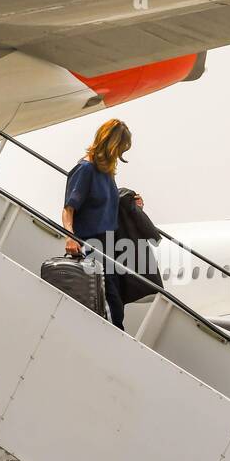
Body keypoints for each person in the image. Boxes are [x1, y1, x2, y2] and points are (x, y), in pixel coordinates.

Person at [62, 119, 140, 331]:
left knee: (117, 302)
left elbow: (107, 201)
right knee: (109, 302)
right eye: (120, 150)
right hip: (92, 244)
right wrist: (70, 237)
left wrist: (131, 200)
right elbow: (69, 209)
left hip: (110, 245)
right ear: (110, 145)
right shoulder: (85, 169)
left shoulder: (107, 173)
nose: (120, 157)